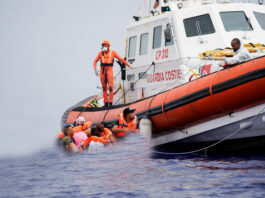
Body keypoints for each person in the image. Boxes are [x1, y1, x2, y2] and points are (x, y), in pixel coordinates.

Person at [93, 40, 133, 107]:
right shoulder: (100, 53)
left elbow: (121, 59)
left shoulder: (113, 53)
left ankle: (110, 103)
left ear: (108, 46)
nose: (104, 47)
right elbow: (94, 61)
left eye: (105, 45)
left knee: (111, 87)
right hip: (102, 72)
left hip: (109, 71)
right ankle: (106, 103)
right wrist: (95, 69)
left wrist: (129, 65)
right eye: (103, 45)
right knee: (104, 88)